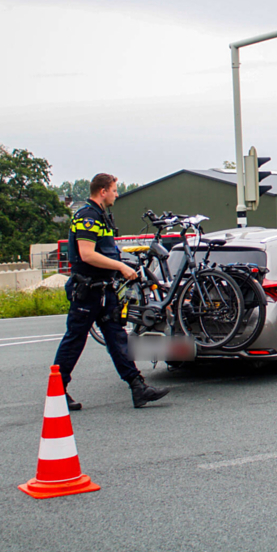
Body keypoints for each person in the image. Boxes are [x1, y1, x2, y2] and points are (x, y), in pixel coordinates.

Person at [53, 173, 170, 410]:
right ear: (103, 190)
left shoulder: (100, 216)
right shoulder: (87, 216)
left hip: (103, 290)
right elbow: (87, 254)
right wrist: (120, 266)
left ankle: (138, 388)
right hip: (87, 290)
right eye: (115, 190)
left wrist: (124, 264)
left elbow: (106, 252)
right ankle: (56, 392)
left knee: (118, 338)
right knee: (74, 341)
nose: (117, 194)